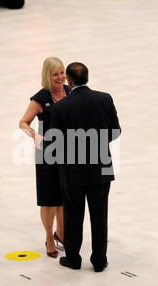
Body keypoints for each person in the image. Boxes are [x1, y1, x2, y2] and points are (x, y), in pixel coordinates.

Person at [50, 62, 121, 272]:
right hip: (101, 167)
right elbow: (115, 131)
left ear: (69, 82)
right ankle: (99, 261)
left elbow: (55, 142)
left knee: (73, 216)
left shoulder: (60, 107)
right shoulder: (105, 98)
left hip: (73, 171)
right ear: (87, 78)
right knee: (100, 216)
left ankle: (73, 258)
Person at [19, 57, 70, 258]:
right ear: (47, 76)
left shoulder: (70, 92)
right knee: (49, 199)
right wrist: (32, 134)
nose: (60, 77)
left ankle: (63, 234)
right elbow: (23, 122)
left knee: (65, 197)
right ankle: (49, 236)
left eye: (62, 72)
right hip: (47, 153)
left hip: (69, 151)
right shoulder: (40, 98)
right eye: (55, 74)